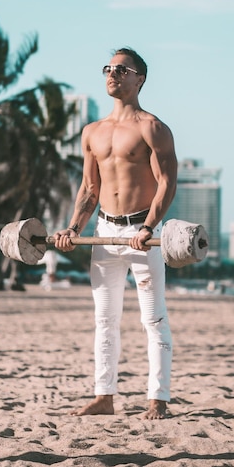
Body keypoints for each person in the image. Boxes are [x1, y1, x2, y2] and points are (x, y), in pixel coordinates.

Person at [54, 47, 177, 420]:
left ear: (140, 78)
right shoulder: (92, 132)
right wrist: (73, 228)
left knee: (152, 319)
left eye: (123, 70)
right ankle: (104, 396)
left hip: (142, 235)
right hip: (105, 233)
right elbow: (89, 188)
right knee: (104, 320)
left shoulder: (151, 127)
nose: (114, 74)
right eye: (109, 68)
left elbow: (167, 182)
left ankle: (158, 399)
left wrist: (149, 227)